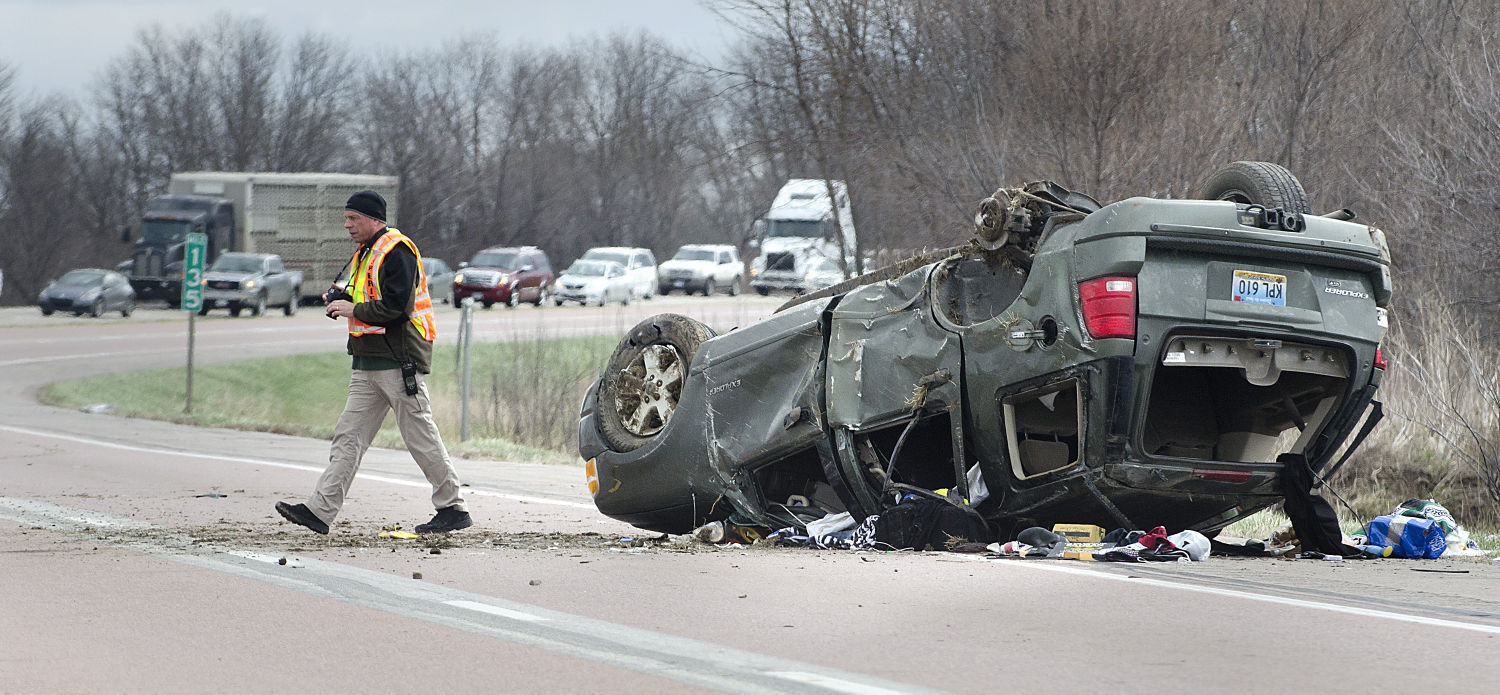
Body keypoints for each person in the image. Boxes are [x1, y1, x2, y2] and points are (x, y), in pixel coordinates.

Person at [275, 190, 471, 535]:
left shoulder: (397, 250)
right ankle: (320, 510)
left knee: (420, 437)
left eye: (353, 218)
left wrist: (353, 308)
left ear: (374, 220)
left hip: (398, 360)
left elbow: (397, 308)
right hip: (367, 361)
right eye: (346, 218)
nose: (346, 225)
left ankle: (453, 508)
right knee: (347, 437)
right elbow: (369, 297)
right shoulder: (366, 252)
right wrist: (342, 300)